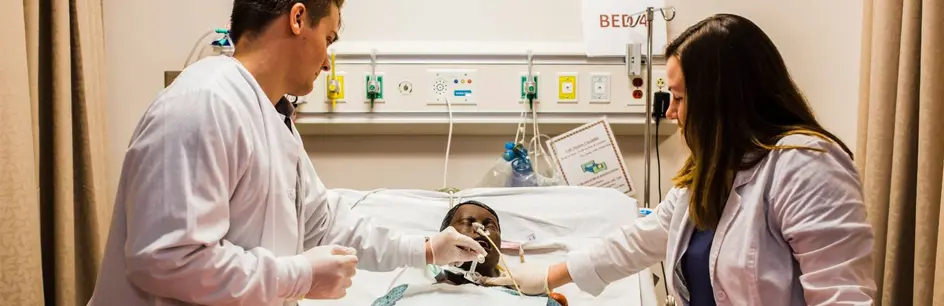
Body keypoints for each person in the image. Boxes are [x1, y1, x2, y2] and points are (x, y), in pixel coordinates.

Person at [87, 1, 485, 305]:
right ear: (297, 19)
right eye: (328, 39)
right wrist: (300, 275)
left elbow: (321, 224)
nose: (328, 62)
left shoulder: (273, 118)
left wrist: (427, 248)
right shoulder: (203, 103)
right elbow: (167, 260)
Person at [484, 13, 877, 305]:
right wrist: (546, 275)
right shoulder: (715, 170)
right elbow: (642, 239)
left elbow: (841, 295)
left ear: (720, 98)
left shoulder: (807, 165)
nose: (671, 112)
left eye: (680, 97)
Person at [372, 200, 563, 306]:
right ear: (443, 237)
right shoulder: (405, 296)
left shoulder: (533, 302)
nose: (480, 228)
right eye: (466, 222)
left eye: (491, 226)